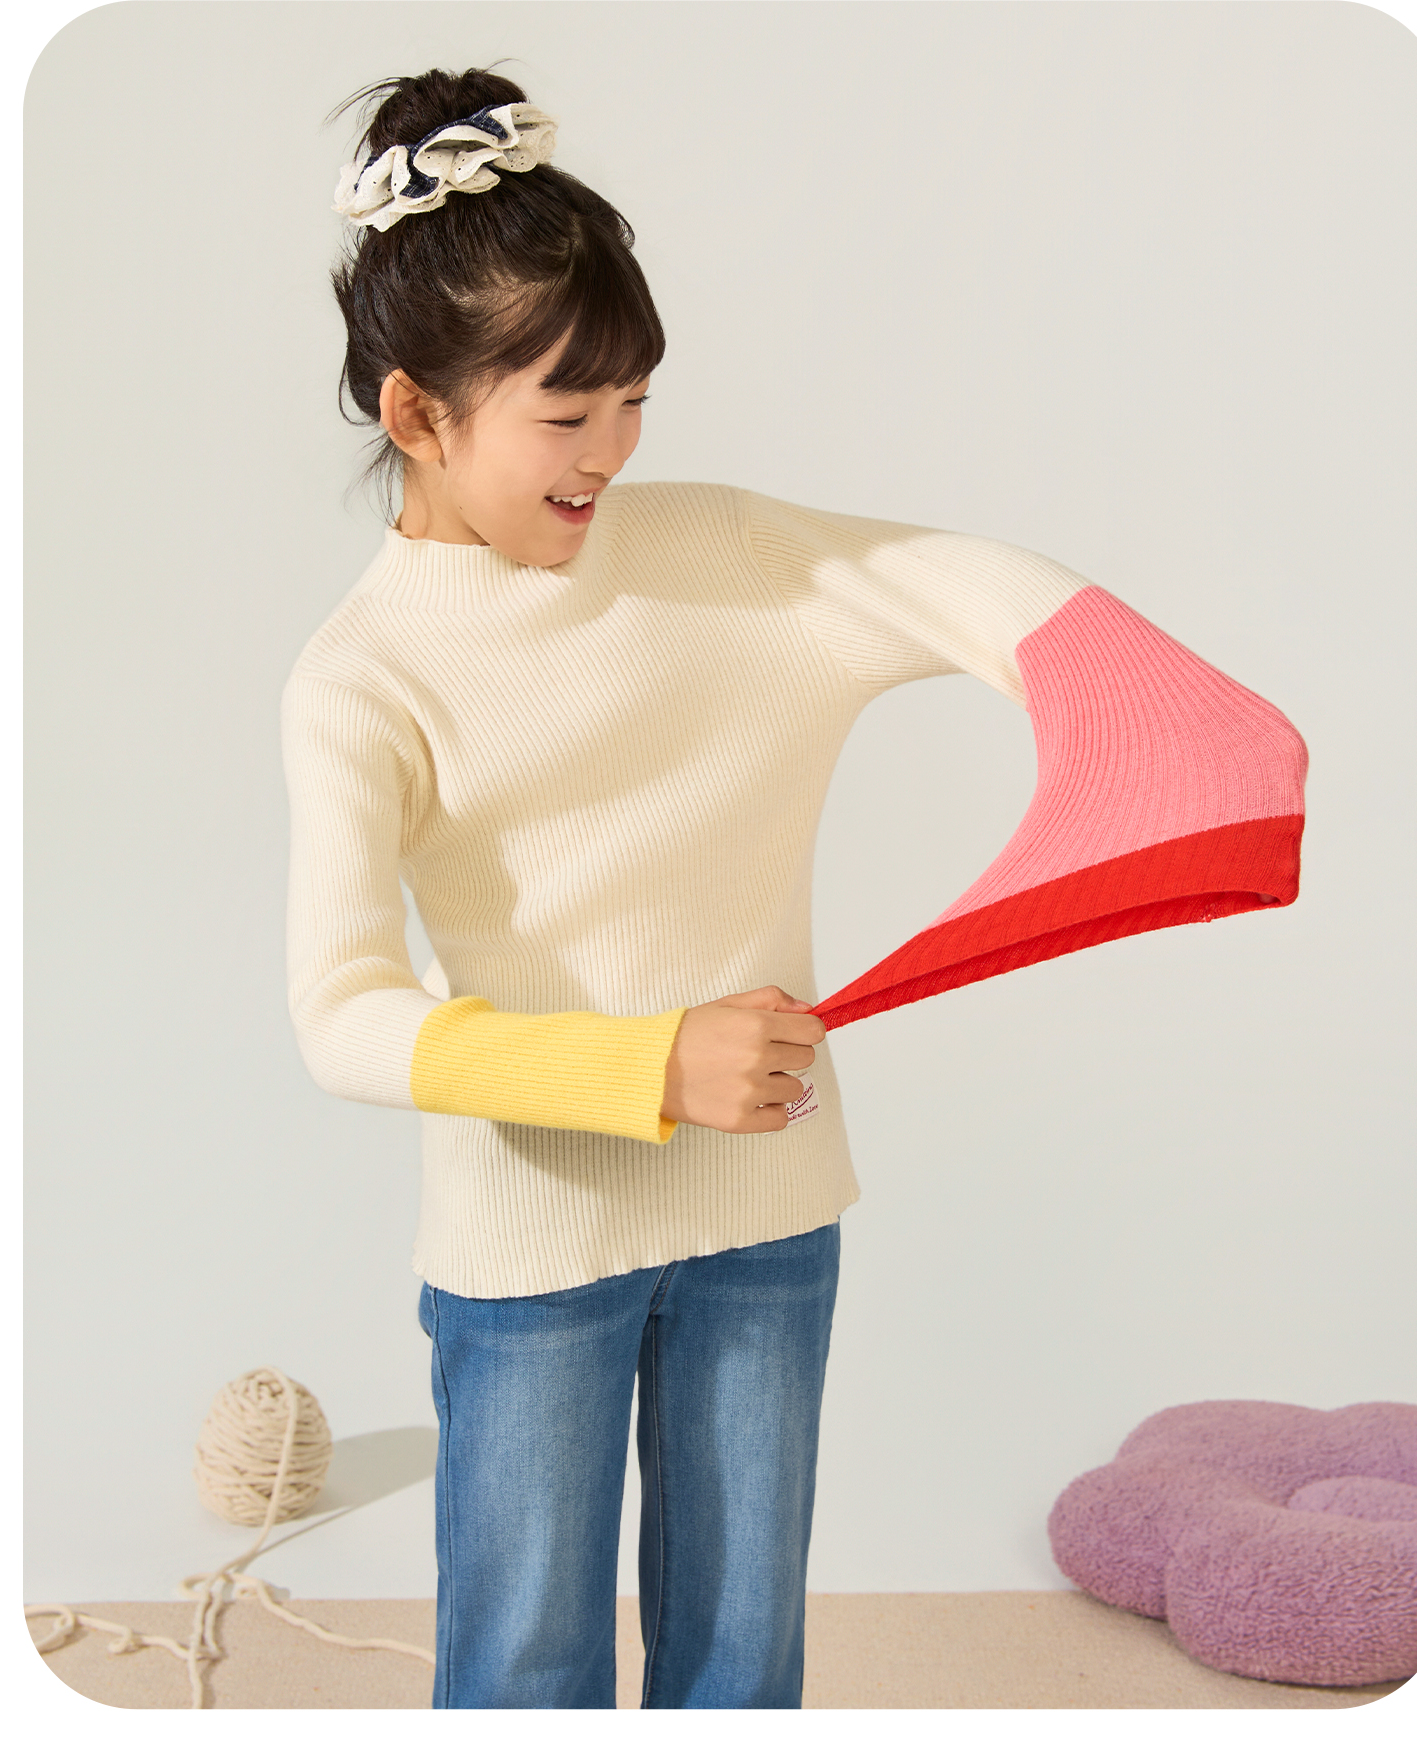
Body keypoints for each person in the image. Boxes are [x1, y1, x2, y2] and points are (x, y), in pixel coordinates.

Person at [283, 66, 1305, 1711]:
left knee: (745, 1669)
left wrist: (1148, 705)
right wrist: (648, 1064)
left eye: (634, 403)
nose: (611, 453)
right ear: (417, 414)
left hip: (769, 1213)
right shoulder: (360, 678)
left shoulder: (726, 554)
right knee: (523, 1672)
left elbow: (944, 581)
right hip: (529, 1244)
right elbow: (340, 1018)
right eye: (566, 414)